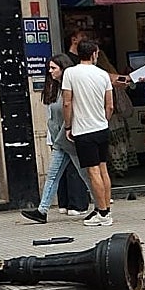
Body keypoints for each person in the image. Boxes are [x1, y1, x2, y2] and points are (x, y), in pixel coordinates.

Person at [22, 54, 94, 223]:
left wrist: (61, 137)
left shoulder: (70, 89)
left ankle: (101, 206)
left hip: (70, 140)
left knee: (85, 175)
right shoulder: (55, 89)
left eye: (54, 68)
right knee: (53, 175)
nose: (50, 71)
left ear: (63, 68)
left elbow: (72, 114)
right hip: (60, 141)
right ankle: (42, 210)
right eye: (50, 68)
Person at [61, 39, 116, 227]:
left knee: (93, 171)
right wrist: (104, 120)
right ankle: (106, 208)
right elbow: (110, 105)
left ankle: (103, 212)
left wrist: (68, 126)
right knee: (103, 169)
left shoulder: (70, 73)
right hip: (101, 127)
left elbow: (67, 102)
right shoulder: (103, 74)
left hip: (83, 129)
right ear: (94, 54)